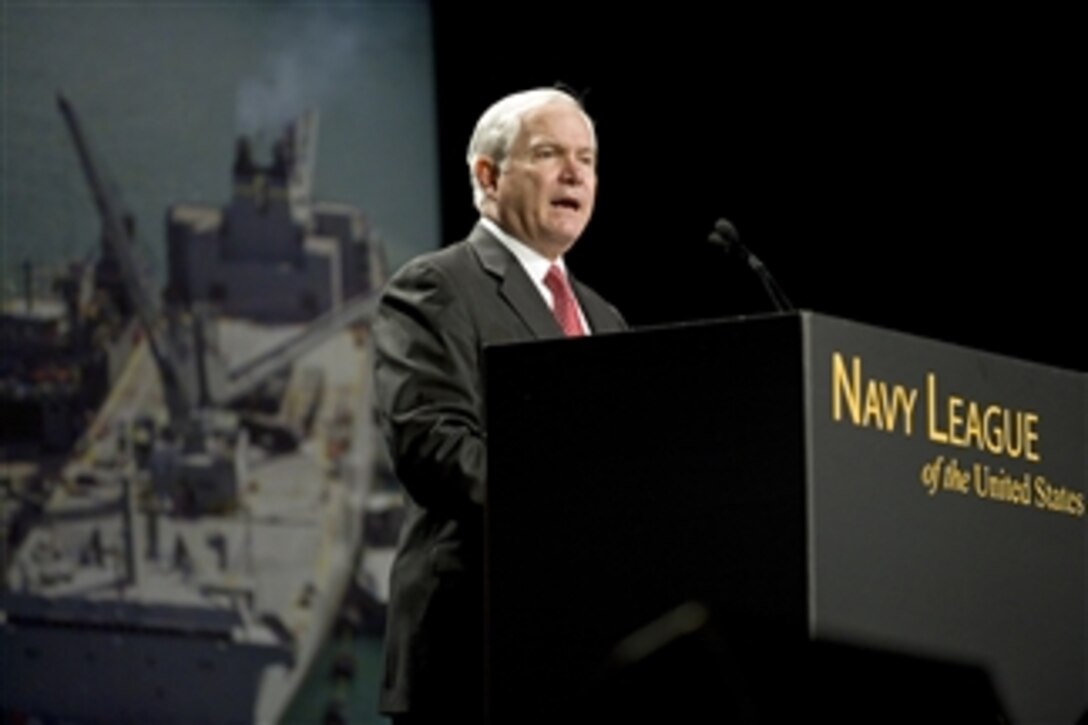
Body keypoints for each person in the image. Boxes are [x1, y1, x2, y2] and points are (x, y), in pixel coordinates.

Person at [373, 87, 626, 723]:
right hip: (474, 652)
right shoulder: (437, 286)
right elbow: (433, 445)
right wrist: (575, 512)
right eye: (549, 154)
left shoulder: (606, 318)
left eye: (588, 159)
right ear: (487, 175)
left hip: (586, 656)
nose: (575, 174)